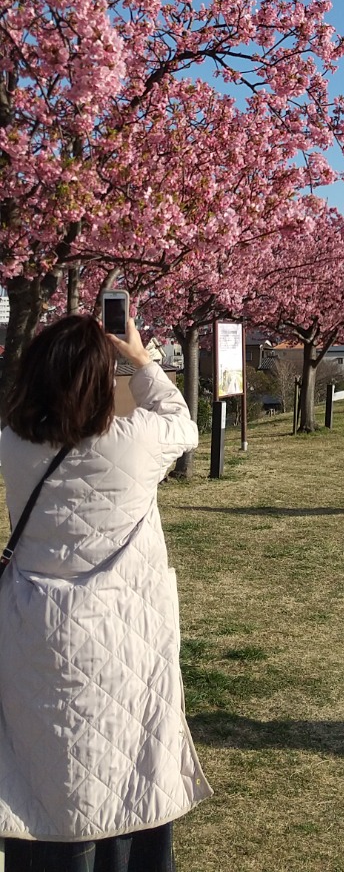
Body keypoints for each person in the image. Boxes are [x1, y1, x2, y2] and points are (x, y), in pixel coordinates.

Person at [0, 313, 211, 870]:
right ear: (100, 378)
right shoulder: (135, 442)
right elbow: (182, 422)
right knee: (125, 760)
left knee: (44, 767)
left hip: (35, 632)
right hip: (124, 634)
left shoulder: (13, 445)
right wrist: (141, 360)